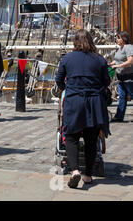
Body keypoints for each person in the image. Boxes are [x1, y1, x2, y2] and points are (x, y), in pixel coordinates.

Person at [55, 29, 110, 188]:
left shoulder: (67, 58)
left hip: (74, 101)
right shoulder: (99, 59)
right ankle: (87, 175)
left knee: (71, 136)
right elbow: (106, 81)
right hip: (94, 102)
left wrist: (70, 88)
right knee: (91, 140)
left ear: (75, 41)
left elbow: (59, 80)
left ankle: (75, 171)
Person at [109, 31, 133, 122]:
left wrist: (118, 66)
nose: (117, 40)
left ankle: (119, 116)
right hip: (121, 78)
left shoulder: (128, 47)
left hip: (129, 78)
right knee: (122, 97)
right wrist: (110, 64)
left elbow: (130, 61)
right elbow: (117, 60)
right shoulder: (120, 48)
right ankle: (119, 116)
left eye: (118, 38)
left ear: (124, 39)